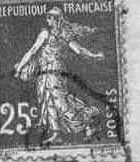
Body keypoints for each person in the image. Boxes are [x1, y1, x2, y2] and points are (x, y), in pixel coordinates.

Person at [13, 7, 105, 144]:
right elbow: (33, 51)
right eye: (48, 17)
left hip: (55, 71)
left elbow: (78, 50)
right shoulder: (47, 33)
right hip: (45, 72)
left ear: (59, 19)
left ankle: (90, 116)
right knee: (48, 102)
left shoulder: (62, 34)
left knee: (60, 103)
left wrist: (93, 55)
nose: (49, 20)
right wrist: (20, 66)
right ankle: (56, 134)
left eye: (52, 17)